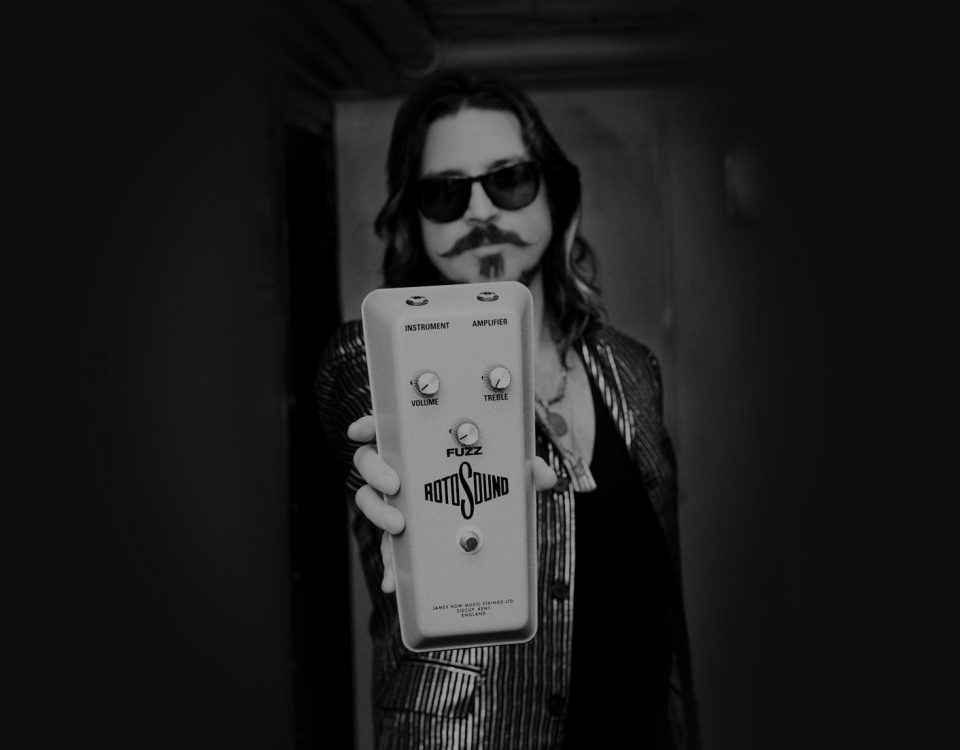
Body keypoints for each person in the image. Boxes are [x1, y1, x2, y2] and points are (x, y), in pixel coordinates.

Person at [315, 70, 699, 749]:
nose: (480, 212)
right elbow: (362, 412)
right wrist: (390, 472)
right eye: (444, 193)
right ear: (413, 220)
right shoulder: (372, 359)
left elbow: (665, 607)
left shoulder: (632, 368)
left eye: (509, 180)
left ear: (555, 192)